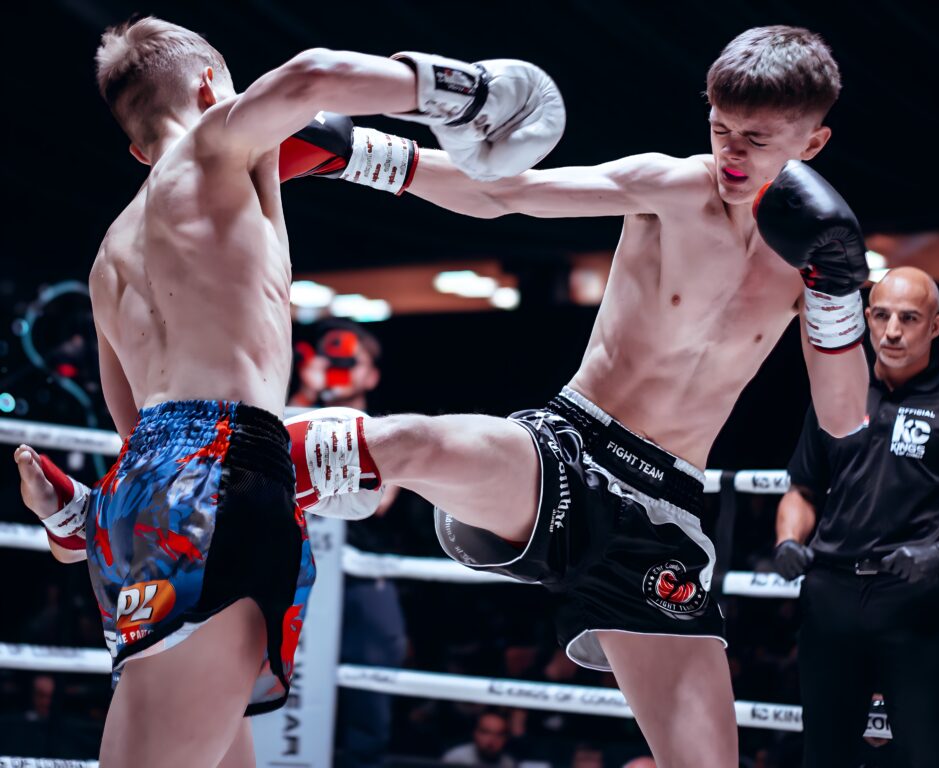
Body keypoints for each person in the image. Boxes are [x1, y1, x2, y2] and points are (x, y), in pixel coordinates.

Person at [285, 25, 871, 767]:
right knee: (406, 442)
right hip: (570, 449)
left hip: (664, 512)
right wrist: (359, 156)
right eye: (721, 128)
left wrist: (837, 294)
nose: (731, 153)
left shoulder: (817, 258)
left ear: (813, 143)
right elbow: (508, 195)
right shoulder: (673, 185)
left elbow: (842, 417)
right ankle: (210, 480)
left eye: (756, 140)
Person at [14, 16, 562, 767]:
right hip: (222, 476)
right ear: (213, 89)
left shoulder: (107, 257)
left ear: (135, 149)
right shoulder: (211, 146)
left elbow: (134, 429)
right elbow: (310, 76)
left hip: (149, 493)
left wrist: (91, 519)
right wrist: (464, 93)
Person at [774, 267, 939, 767]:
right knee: (823, 754)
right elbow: (801, 489)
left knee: (928, 754)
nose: (892, 331)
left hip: (913, 598)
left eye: (909, 318)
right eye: (882, 316)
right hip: (829, 594)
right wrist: (787, 541)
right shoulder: (835, 397)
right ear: (866, 318)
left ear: (935, 326)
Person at [290, 321, 407, 767]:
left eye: (349, 361)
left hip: (361, 580)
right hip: (296, 572)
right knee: (282, 693)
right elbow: (266, 461)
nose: (338, 368)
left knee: (368, 705)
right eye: (330, 359)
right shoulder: (291, 418)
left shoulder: (389, 430)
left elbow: (378, 502)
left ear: (371, 375)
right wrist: (306, 394)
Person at [442, 710, 518, 768]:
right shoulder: (455, 759)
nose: (492, 740)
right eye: (486, 732)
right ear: (475, 733)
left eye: (499, 734)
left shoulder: (508, 764)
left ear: (506, 738)